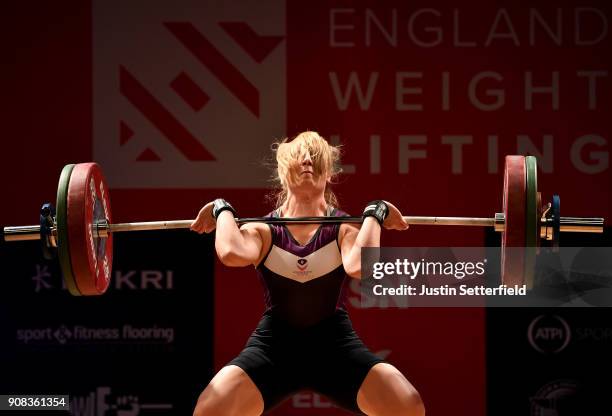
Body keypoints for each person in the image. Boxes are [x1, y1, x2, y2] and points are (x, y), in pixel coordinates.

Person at [190, 131, 425, 416]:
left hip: (334, 347)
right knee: (211, 408)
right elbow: (231, 253)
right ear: (282, 172)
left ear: (328, 174)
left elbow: (362, 267)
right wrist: (221, 208)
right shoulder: (264, 231)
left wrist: (375, 213)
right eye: (299, 156)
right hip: (274, 347)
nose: (306, 161)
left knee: (406, 405)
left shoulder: (342, 230)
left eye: (315, 157)